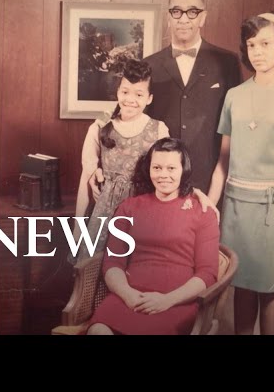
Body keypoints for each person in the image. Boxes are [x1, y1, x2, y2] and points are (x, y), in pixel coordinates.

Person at [208, 11, 274, 335]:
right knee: (241, 285)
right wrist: (210, 206)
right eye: (251, 44)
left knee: (271, 291)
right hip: (237, 209)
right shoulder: (234, 96)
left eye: (265, 43)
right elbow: (223, 161)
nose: (257, 51)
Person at [73, 59, 216, 261]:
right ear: (117, 92)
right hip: (105, 216)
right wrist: (78, 229)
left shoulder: (158, 129)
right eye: (125, 92)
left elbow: (171, 173)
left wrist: (197, 193)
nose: (130, 99)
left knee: (140, 267)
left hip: (144, 214)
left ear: (149, 99)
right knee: (94, 269)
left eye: (139, 94)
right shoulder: (99, 127)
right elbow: (85, 177)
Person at [86, 138, 220, 335]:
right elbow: (113, 262)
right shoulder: (129, 207)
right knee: (98, 330)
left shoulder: (202, 212)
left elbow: (207, 274)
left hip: (176, 301)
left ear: (183, 170)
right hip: (131, 295)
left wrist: (167, 300)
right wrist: (128, 295)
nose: (163, 175)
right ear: (148, 169)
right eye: (157, 168)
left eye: (171, 168)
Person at [142, 0, 242, 194]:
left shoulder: (227, 62)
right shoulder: (148, 65)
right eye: (176, 11)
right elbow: (129, 114)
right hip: (161, 179)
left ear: (203, 18)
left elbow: (236, 121)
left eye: (192, 12)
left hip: (210, 177)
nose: (183, 19)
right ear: (168, 17)